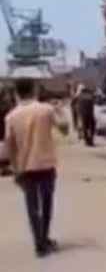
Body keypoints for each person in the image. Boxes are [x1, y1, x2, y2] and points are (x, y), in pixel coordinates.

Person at [4, 77, 69, 258]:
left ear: (16, 93)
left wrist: (15, 168)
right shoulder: (46, 110)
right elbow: (64, 129)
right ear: (34, 90)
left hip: (25, 166)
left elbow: (10, 145)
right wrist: (61, 111)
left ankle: (38, 243)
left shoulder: (11, 117)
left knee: (32, 207)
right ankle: (45, 238)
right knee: (47, 203)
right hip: (46, 163)